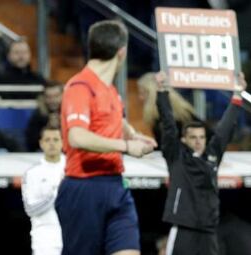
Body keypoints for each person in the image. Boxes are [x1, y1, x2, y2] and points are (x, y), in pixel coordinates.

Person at [56, 20, 156, 255]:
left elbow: (111, 119)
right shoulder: (80, 86)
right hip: (84, 187)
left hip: (115, 184)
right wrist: (126, 146)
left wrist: (133, 134)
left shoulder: (109, 89)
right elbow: (77, 137)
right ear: (122, 52)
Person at [154, 72, 246, 255]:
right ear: (184, 140)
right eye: (193, 137)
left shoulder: (212, 157)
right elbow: (168, 124)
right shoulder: (176, 156)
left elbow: (224, 130)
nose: (198, 141)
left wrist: (237, 95)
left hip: (209, 230)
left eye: (202, 137)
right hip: (183, 229)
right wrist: (162, 91)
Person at [137, 72, 211, 149]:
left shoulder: (164, 119)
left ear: (151, 93)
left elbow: (167, 148)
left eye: (142, 93)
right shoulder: (181, 113)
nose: (140, 97)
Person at [22, 127, 65, 255]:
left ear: (63, 142)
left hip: (75, 233)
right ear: (41, 143)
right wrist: (57, 193)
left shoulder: (74, 170)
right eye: (47, 140)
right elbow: (30, 209)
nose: (52, 143)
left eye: (56, 139)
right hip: (45, 238)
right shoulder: (32, 174)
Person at [25, 83, 63, 151]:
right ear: (44, 98)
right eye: (49, 97)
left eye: (56, 96)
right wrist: (48, 127)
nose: (53, 100)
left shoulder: (70, 114)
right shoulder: (37, 116)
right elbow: (30, 144)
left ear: (63, 95)